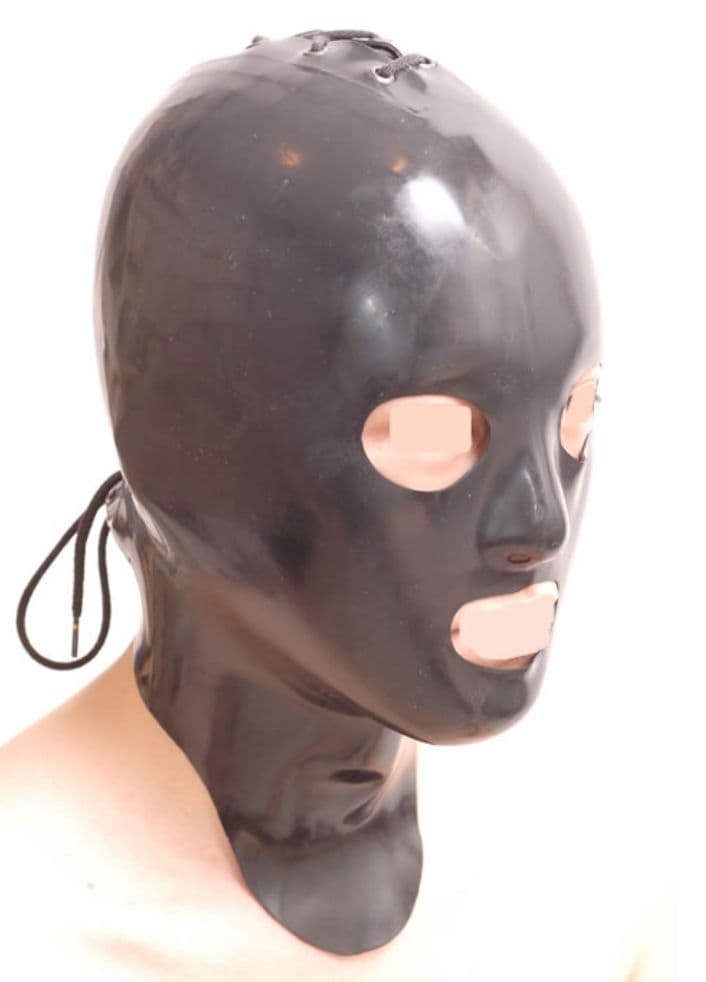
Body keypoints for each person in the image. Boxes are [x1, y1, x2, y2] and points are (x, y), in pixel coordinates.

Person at [1, 27, 673, 979]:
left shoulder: (596, 895)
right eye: (437, 435)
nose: (541, 523)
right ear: (187, 438)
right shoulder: (28, 935)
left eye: (575, 418)